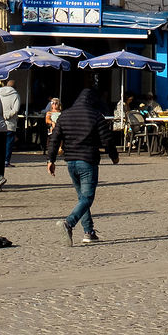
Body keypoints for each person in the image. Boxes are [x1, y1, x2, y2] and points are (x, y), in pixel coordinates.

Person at [46, 86, 109, 245]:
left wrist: (51, 160)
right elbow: (106, 139)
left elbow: (55, 138)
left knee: (82, 198)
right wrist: (113, 156)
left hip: (71, 162)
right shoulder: (96, 116)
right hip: (87, 160)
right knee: (87, 197)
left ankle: (89, 232)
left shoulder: (64, 115)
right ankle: (69, 223)